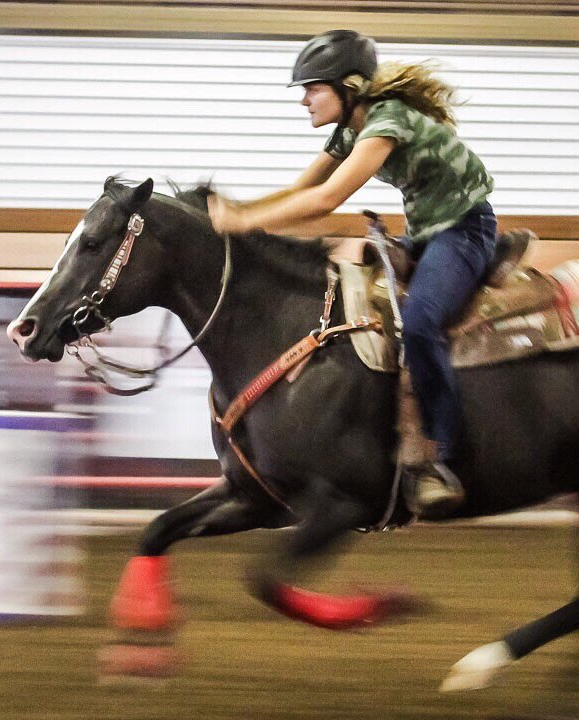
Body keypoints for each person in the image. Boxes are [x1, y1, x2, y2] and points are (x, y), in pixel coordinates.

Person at [208, 29, 497, 517]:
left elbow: (325, 200)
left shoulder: (387, 122)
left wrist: (243, 221)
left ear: (350, 87)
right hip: (425, 233)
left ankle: (443, 456)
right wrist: (241, 214)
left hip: (465, 233)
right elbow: (299, 188)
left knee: (422, 324)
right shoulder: (349, 130)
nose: (304, 100)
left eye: (312, 88)